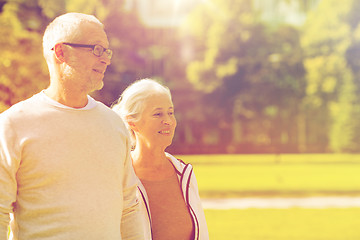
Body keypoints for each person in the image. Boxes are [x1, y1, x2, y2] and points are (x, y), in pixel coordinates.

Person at [0, 13, 143, 240]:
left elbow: (129, 208)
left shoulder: (114, 125)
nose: (105, 59)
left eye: (107, 51)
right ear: (60, 52)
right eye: (96, 49)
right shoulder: (13, 125)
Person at [112, 79, 209, 240]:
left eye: (170, 112)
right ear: (132, 123)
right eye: (158, 114)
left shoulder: (185, 174)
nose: (169, 121)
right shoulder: (120, 175)